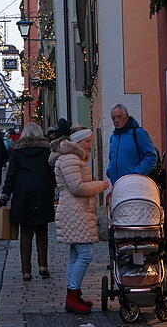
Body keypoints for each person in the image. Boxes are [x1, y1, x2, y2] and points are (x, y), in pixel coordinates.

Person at [53, 128, 109, 315]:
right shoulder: (70, 159)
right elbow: (77, 187)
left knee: (76, 254)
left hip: (75, 210)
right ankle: (72, 294)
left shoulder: (73, 158)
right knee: (85, 253)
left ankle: (74, 295)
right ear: (77, 143)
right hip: (74, 210)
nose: (89, 145)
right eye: (86, 141)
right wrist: (100, 185)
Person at [0, 122, 54, 281]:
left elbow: (11, 175)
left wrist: (5, 194)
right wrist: (53, 185)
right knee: (42, 231)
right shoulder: (46, 150)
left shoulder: (17, 151)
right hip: (43, 192)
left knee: (26, 232)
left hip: (22, 192)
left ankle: (26, 271)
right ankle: (43, 266)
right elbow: (51, 171)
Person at [106, 104, 158, 183]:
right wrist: (110, 171)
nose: (116, 120)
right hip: (117, 186)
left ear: (126, 116)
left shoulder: (138, 133)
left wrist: (136, 174)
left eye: (119, 117)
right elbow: (111, 159)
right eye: (113, 118)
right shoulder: (113, 137)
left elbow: (151, 156)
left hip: (135, 185)